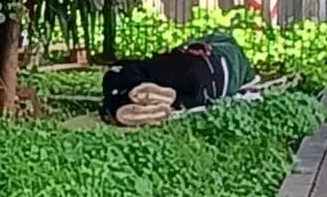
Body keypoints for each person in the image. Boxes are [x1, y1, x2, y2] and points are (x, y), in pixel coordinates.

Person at [102, 31, 255, 127]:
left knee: (120, 72)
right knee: (185, 99)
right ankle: (170, 101)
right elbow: (250, 82)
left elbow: (190, 46)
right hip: (210, 90)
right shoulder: (244, 70)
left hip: (197, 65)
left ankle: (122, 103)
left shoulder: (222, 41)